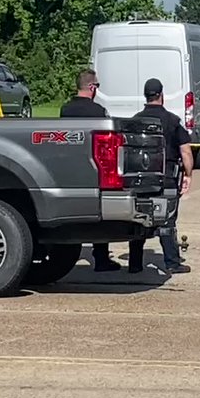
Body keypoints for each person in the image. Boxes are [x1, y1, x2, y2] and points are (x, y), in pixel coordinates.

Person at [128, 78, 193, 274]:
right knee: (167, 220)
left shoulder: (135, 121)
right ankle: (172, 263)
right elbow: (186, 152)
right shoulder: (172, 121)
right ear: (161, 96)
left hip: (141, 180)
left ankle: (135, 264)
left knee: (139, 220)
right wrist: (189, 175)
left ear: (146, 96)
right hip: (167, 179)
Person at [60, 69, 121, 272]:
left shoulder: (65, 110)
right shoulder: (98, 112)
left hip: (69, 166)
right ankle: (101, 258)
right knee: (98, 217)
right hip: (93, 167)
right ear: (92, 87)